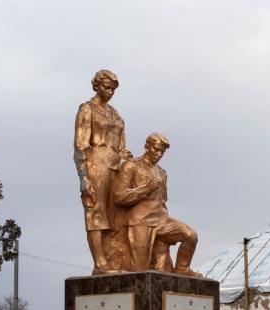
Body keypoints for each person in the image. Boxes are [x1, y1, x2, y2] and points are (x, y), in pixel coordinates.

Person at [113, 133, 200, 276]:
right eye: (156, 149)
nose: (159, 154)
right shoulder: (131, 166)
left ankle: (182, 269)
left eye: (162, 152)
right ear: (147, 146)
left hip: (162, 220)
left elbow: (163, 199)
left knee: (190, 235)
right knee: (139, 272)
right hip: (140, 222)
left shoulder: (162, 173)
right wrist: (146, 188)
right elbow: (119, 196)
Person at [74, 69, 130, 274]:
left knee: (116, 216)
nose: (110, 92)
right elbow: (80, 146)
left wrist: (128, 158)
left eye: (113, 89)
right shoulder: (87, 109)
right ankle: (100, 263)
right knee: (97, 213)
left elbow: (122, 146)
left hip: (117, 166)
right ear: (96, 86)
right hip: (96, 165)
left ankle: (114, 260)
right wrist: (84, 178)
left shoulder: (115, 114)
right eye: (107, 87)